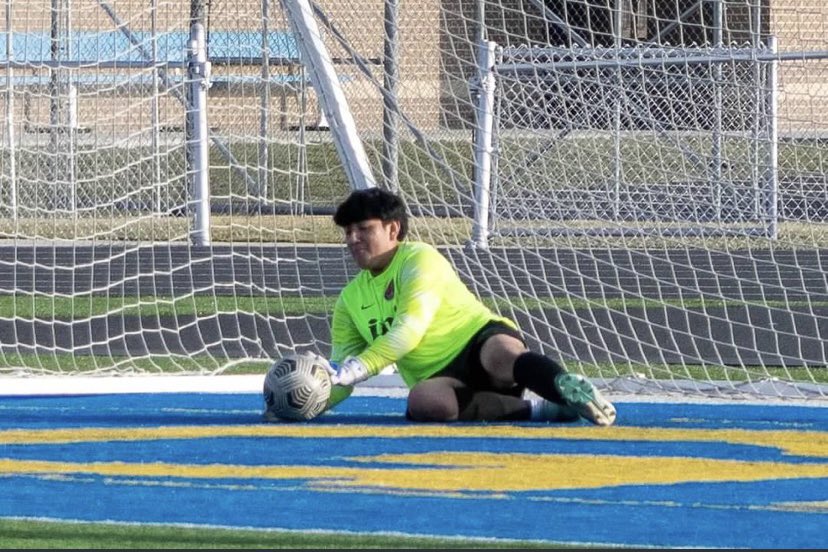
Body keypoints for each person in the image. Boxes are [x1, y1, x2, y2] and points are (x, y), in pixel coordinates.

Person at [325, 187, 616, 425]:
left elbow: (408, 332)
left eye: (363, 229)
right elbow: (341, 372)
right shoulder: (350, 299)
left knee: (502, 354)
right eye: (348, 232)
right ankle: (542, 411)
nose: (352, 239)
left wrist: (359, 367)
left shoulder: (419, 259)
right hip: (440, 379)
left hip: (477, 340)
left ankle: (565, 386)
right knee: (423, 403)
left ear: (393, 229)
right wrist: (307, 395)